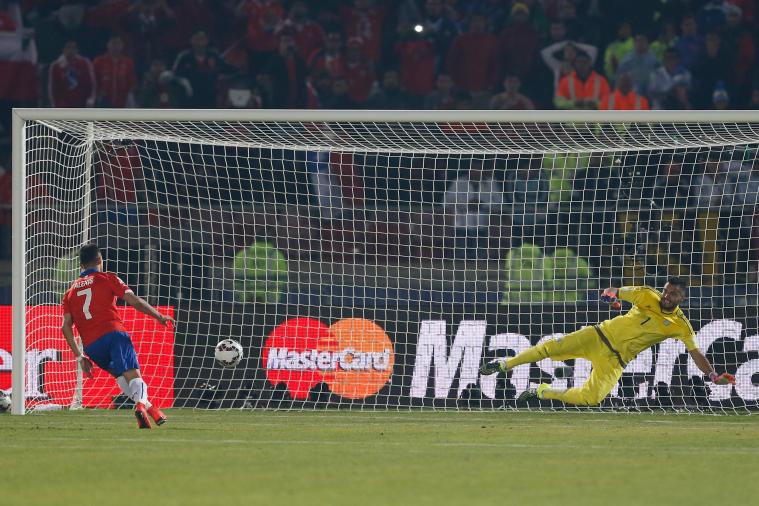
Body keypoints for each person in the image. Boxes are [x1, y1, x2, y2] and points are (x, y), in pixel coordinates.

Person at [482, 278, 736, 406]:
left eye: (674, 294)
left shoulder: (681, 326)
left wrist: (713, 376)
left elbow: (696, 353)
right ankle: (505, 364)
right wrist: (609, 296)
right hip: (597, 336)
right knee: (550, 347)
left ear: (682, 298)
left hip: (616, 359)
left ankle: (540, 391)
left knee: (591, 399)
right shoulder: (646, 294)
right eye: (667, 290)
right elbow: (614, 291)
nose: (668, 296)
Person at [61, 245, 174, 428]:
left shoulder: (69, 293)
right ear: (99, 261)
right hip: (113, 334)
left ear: (81, 265)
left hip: (92, 346)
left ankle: (152, 410)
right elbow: (134, 301)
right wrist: (159, 316)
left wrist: (79, 356)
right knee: (133, 374)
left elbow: (65, 327)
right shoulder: (108, 278)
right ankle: (140, 406)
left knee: (121, 377)